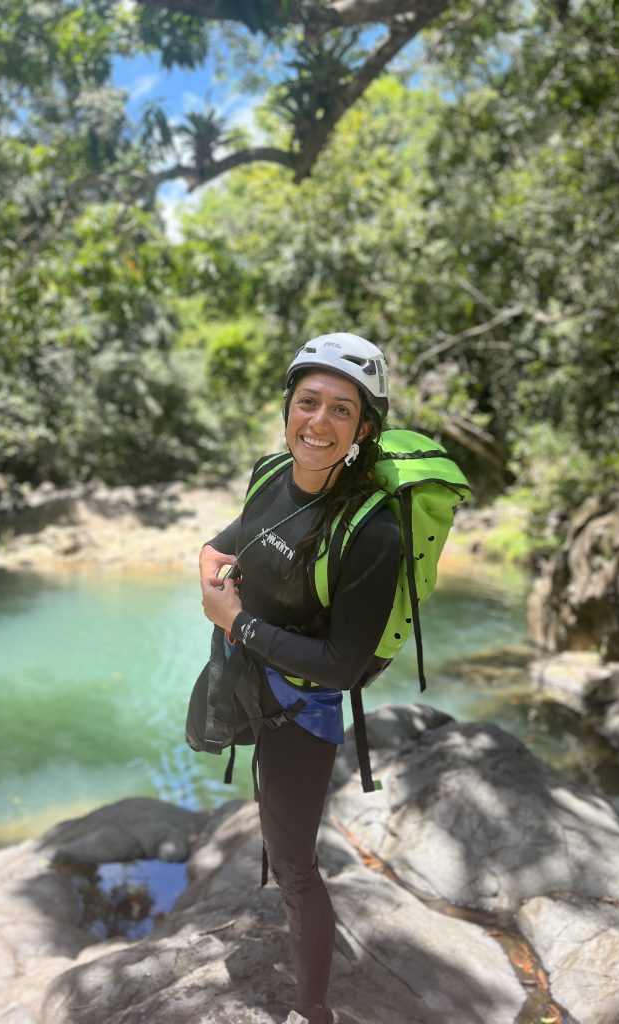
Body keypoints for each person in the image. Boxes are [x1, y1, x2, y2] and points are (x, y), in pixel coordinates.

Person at [198, 333, 402, 1024]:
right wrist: (216, 575)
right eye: (307, 401)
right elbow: (225, 544)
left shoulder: (373, 532)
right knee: (269, 820)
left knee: (297, 870)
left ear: (364, 428)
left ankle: (314, 1011)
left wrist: (234, 623)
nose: (318, 422)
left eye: (341, 410)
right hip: (244, 675)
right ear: (287, 406)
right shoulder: (268, 473)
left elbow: (344, 665)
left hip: (300, 711)